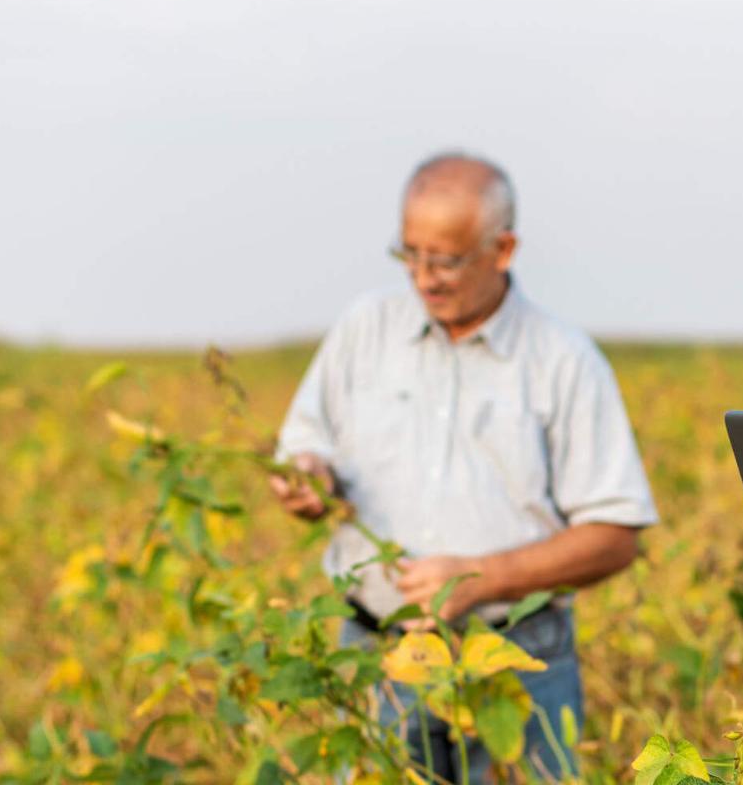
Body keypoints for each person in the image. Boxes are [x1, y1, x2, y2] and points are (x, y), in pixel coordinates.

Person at [269, 152, 660, 781]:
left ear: (502, 249)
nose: (425, 278)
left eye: (446, 260)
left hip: (516, 661)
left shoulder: (563, 360)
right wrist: (307, 478)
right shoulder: (364, 329)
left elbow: (615, 537)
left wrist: (484, 576)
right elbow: (302, 449)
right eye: (410, 255)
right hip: (378, 658)